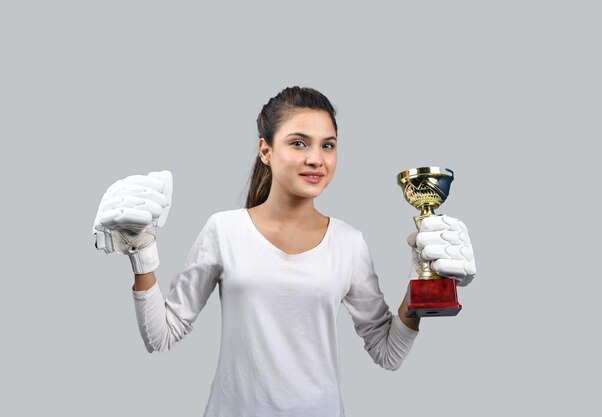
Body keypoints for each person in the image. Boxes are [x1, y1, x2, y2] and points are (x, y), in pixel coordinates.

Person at [92, 86, 476, 417]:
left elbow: (388, 353)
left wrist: (421, 281)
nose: (316, 158)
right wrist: (141, 252)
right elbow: (161, 336)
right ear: (265, 150)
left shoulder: (349, 243)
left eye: (328, 145)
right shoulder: (224, 230)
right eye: (298, 143)